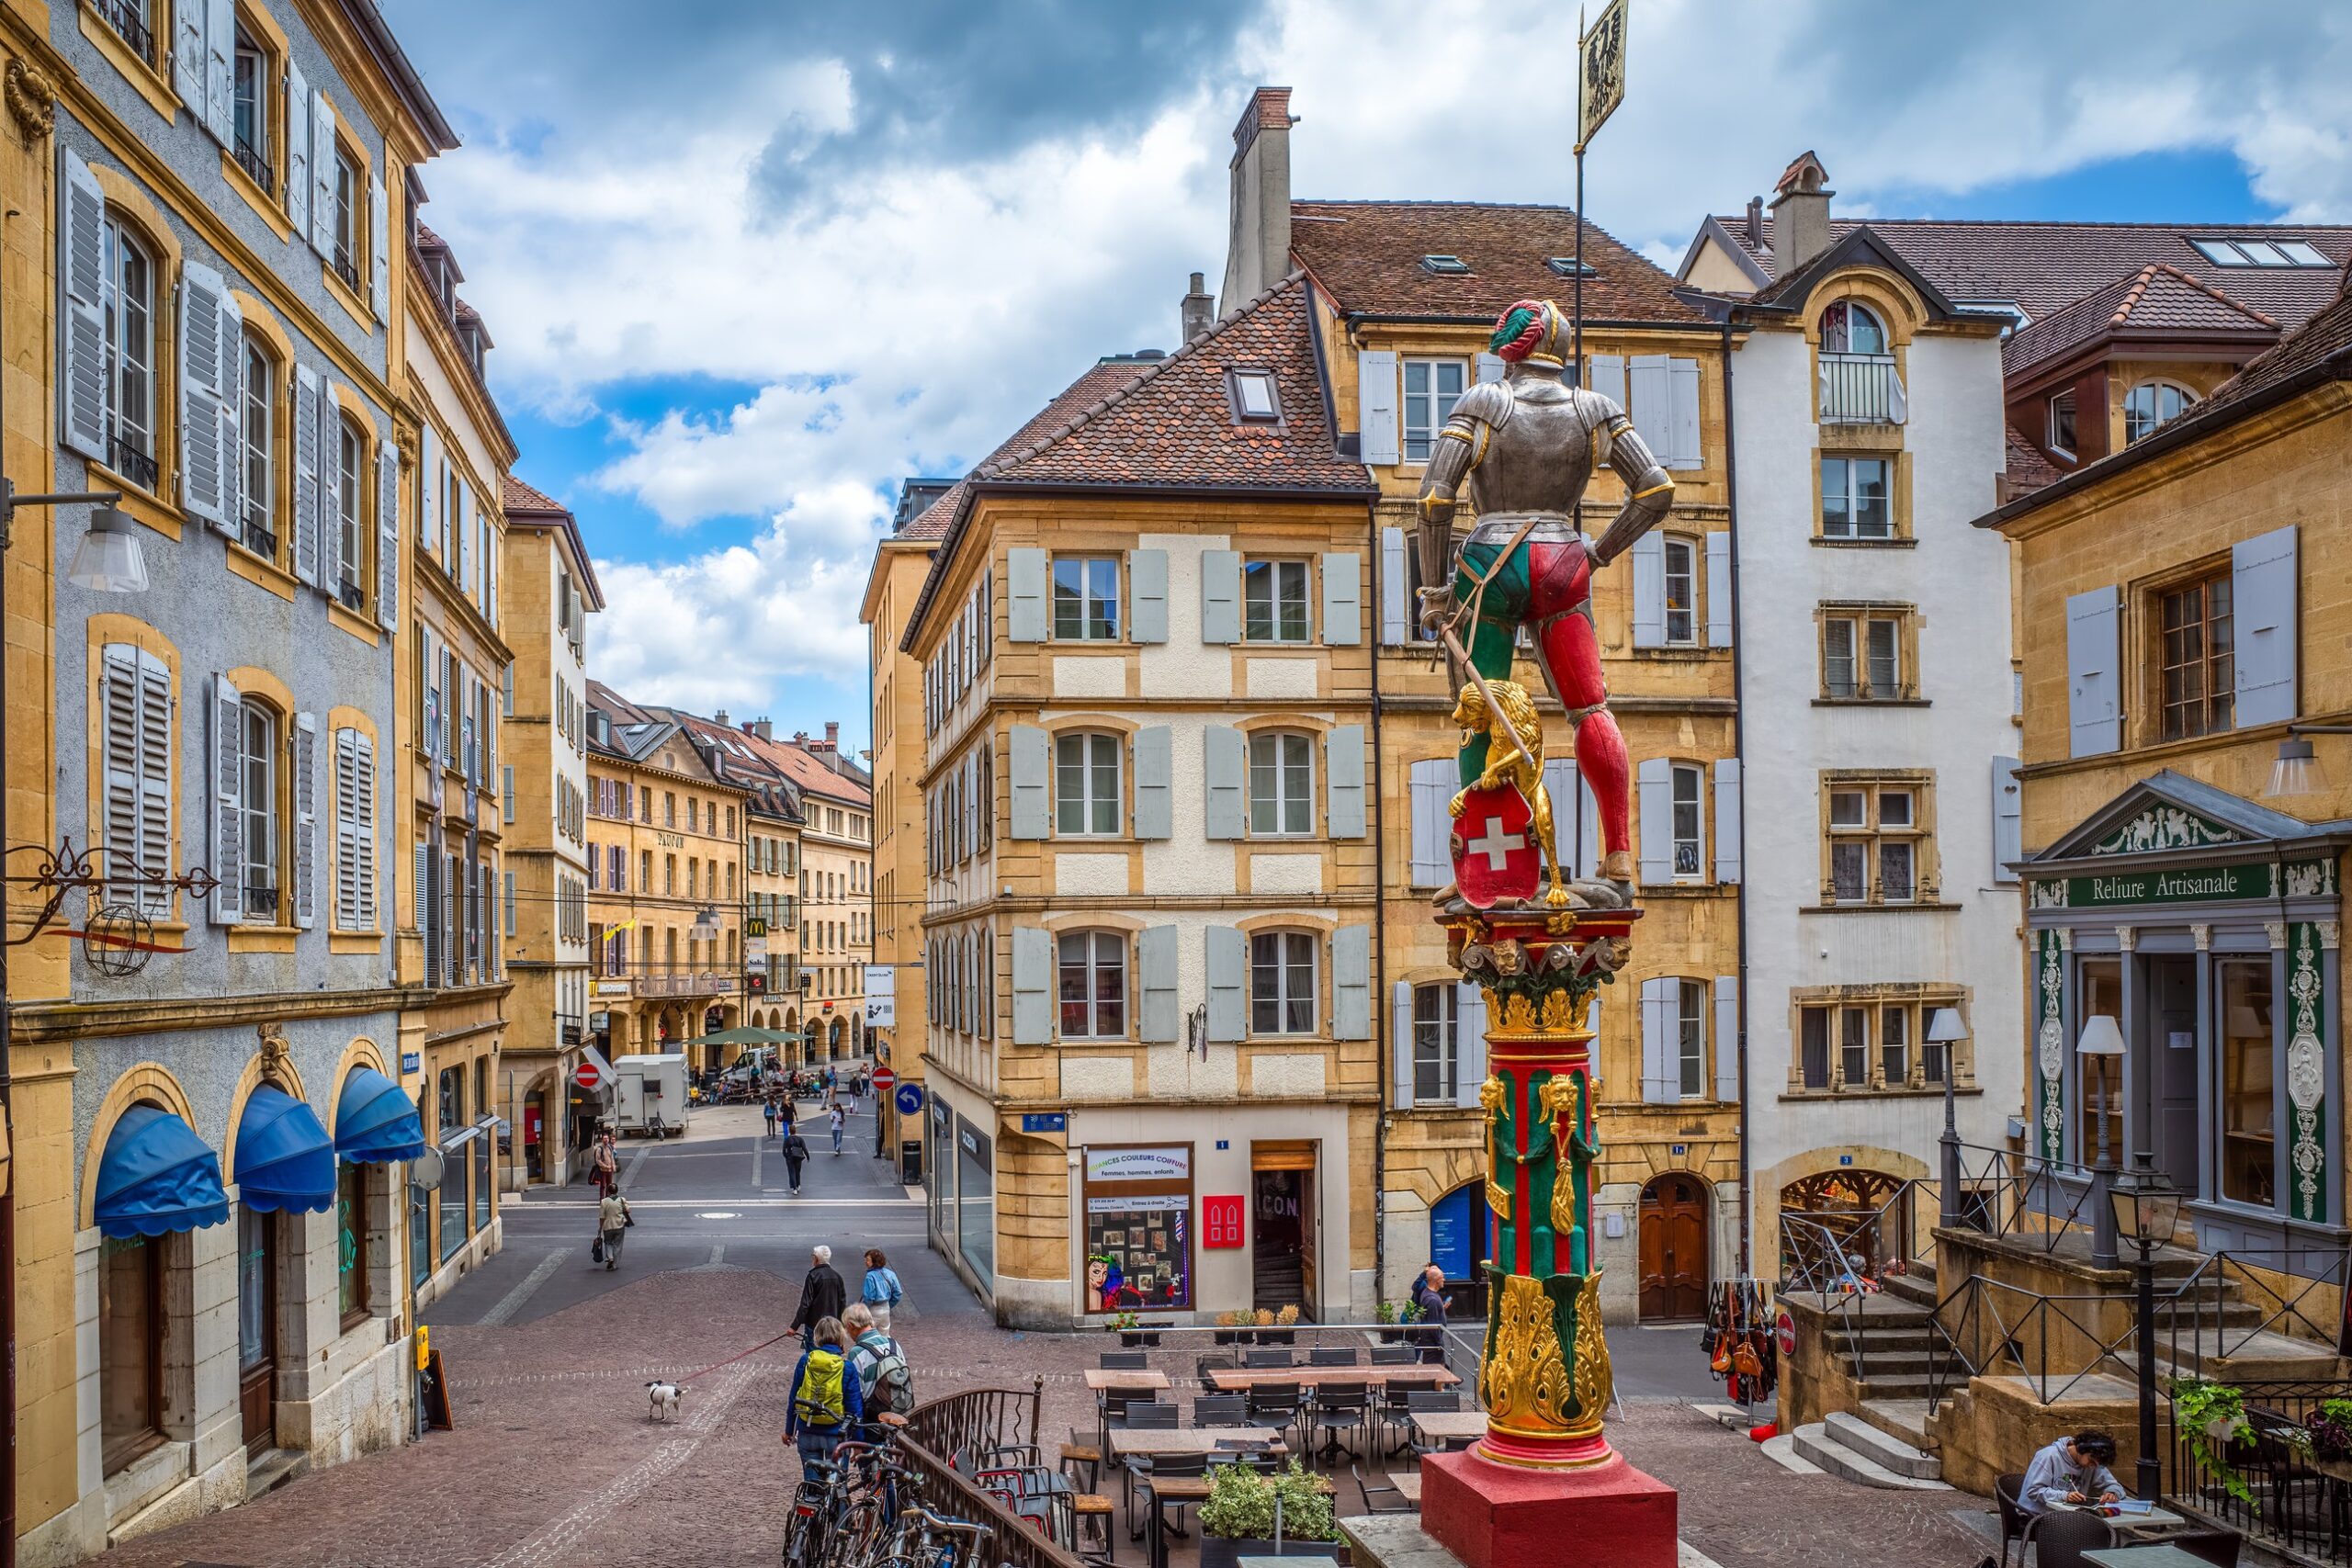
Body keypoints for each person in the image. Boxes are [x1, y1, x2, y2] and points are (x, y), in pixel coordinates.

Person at [784, 1316, 863, 1471]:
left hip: (808, 1431)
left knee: (812, 1486)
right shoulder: (847, 1367)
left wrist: (789, 1431)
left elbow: (794, 1398)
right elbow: (854, 1409)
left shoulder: (805, 1361)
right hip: (837, 1434)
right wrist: (858, 1442)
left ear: (817, 1337)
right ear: (841, 1337)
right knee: (836, 1487)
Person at [842, 1303, 914, 1427]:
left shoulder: (857, 1352)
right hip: (898, 1412)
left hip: (873, 1420)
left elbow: (856, 1394)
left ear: (850, 1325)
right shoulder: (894, 1345)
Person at [2021, 1430, 2123, 1514]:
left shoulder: (2093, 1464)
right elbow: (2034, 1491)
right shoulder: (2048, 1456)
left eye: (2097, 1465)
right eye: (2091, 1461)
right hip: (2034, 1516)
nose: (2093, 1467)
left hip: (2067, 1516)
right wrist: (2065, 1496)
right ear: (2082, 1449)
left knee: (2110, 1518)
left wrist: (2112, 1493)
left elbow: (2115, 1486)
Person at [790, 1245, 847, 1341]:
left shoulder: (812, 1276)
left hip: (814, 1325)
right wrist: (841, 1326)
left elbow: (805, 1304)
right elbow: (842, 1303)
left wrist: (794, 1326)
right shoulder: (837, 1277)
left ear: (816, 1259)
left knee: (812, 1353)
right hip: (832, 1325)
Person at [859, 1248, 904, 1333]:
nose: (865, 1262)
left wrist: (863, 1310)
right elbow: (898, 1292)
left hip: (874, 1308)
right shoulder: (890, 1273)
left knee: (867, 1334)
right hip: (886, 1307)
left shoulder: (870, 1276)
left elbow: (868, 1297)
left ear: (874, 1261)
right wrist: (889, 1305)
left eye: (868, 1260)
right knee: (885, 1334)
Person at [1413, 1263, 1449, 1363]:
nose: (1444, 1280)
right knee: (1435, 1370)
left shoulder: (1428, 1293)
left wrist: (1441, 1307)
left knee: (1439, 1368)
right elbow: (1432, 1325)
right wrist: (1439, 1343)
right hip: (1433, 1344)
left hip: (1432, 1343)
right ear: (1436, 1280)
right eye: (1442, 1277)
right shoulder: (1431, 1299)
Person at [597, 1189, 631, 1271]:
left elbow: (602, 1216)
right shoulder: (622, 1200)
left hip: (608, 1225)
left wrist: (600, 1227)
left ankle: (610, 1257)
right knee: (618, 1244)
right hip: (619, 1225)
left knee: (608, 1242)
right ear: (617, 1191)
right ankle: (615, 1264)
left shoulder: (604, 1201)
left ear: (608, 1192)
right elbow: (628, 1210)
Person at [781, 1125, 809, 1195]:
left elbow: (784, 1150)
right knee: (797, 1172)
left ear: (789, 1131)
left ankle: (794, 1188)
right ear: (795, 1130)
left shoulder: (787, 1139)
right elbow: (804, 1148)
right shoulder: (800, 1139)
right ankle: (798, 1184)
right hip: (798, 1157)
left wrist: (786, 1156)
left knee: (792, 1172)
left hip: (790, 1157)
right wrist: (807, 1156)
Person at [591, 1127, 618, 1198]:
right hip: (602, 1170)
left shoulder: (610, 1147)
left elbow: (612, 1157)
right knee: (603, 1185)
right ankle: (602, 1199)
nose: (606, 1140)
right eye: (605, 1139)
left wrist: (613, 1166)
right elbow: (598, 1160)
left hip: (609, 1170)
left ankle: (607, 1198)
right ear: (602, 1140)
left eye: (607, 1139)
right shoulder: (599, 1149)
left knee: (609, 1185)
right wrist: (605, 1166)